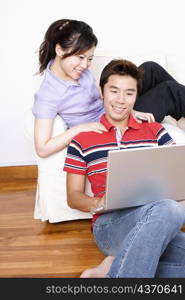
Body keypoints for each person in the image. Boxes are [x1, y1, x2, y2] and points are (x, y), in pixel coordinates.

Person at [64, 59, 185, 278]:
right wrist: (96, 202)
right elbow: (73, 197)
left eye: (129, 93)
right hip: (111, 226)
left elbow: (178, 178)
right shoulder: (83, 139)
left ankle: (112, 270)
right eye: (114, 91)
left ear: (136, 96)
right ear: (102, 92)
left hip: (158, 221)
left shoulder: (155, 131)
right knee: (170, 208)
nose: (121, 100)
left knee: (169, 208)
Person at [32, 19, 153, 160]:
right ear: (59, 50)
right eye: (81, 57)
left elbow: (102, 94)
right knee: (170, 91)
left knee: (151, 68)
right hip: (109, 125)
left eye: (90, 59)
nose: (85, 65)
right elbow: (42, 149)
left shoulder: (77, 71)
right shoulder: (48, 94)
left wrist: (131, 110)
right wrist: (81, 128)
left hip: (117, 110)